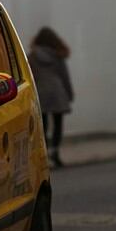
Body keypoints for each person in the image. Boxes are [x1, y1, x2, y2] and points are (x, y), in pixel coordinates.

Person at [29, 27, 73, 167]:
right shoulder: (58, 56)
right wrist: (69, 93)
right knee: (58, 124)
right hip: (57, 92)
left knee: (43, 125)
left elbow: (30, 76)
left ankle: (45, 152)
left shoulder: (32, 56)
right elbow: (64, 76)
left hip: (40, 92)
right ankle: (55, 151)